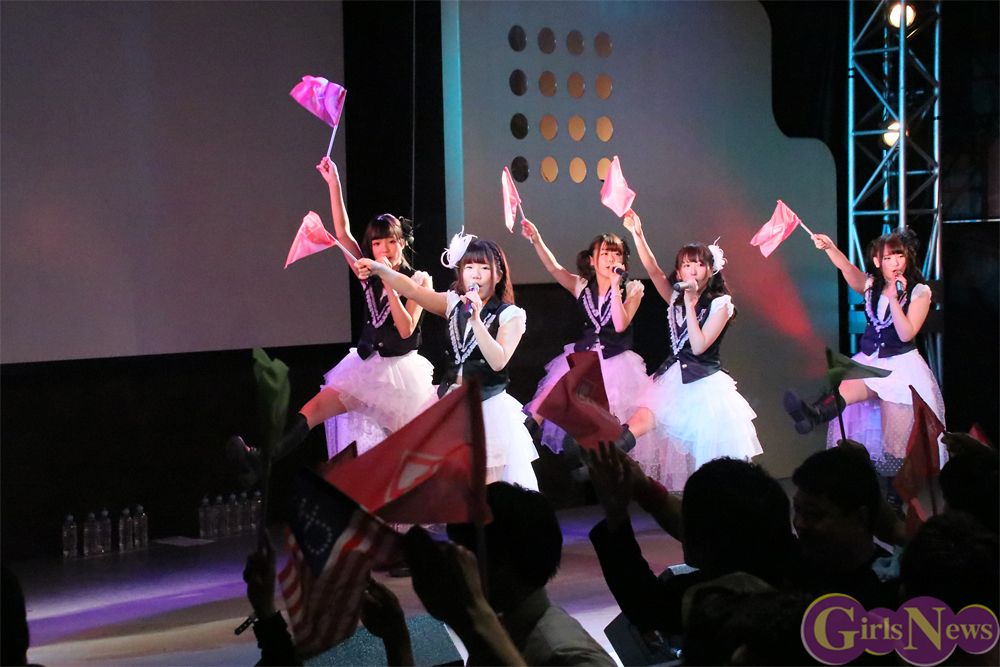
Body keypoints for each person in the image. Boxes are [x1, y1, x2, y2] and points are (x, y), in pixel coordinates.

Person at [258, 158, 437, 463]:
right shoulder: (366, 273)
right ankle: (263, 458)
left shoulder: (418, 280)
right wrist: (334, 182)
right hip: (365, 366)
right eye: (377, 243)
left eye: (391, 241)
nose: (384, 249)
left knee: (408, 451)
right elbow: (342, 234)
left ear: (402, 243)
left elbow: (406, 328)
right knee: (315, 408)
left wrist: (390, 281)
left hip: (400, 377)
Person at [356, 232, 538, 489]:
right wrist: (379, 269)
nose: (476, 275)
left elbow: (498, 361)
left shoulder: (511, 315)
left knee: (488, 490)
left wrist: (476, 320)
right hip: (450, 403)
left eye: (484, 268)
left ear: (498, 275)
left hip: (487, 409)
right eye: (469, 268)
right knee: (449, 488)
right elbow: (412, 290)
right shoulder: (453, 303)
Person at [610, 210, 761, 490]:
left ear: (710, 270)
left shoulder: (721, 304)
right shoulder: (676, 298)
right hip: (674, 380)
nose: (692, 270)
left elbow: (700, 345)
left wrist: (691, 305)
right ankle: (604, 456)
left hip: (705, 386)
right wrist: (637, 234)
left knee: (711, 464)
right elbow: (654, 271)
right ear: (679, 272)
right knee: (641, 419)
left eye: (699, 265)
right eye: (686, 265)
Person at [784, 229, 945, 478]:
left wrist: (894, 299)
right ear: (878, 262)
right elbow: (847, 269)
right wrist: (830, 248)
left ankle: (896, 491)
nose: (895, 263)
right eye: (888, 258)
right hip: (872, 360)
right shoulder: (872, 286)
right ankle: (813, 414)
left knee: (895, 445)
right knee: (844, 389)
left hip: (902, 369)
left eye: (900, 256)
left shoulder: (918, 291)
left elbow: (906, 334)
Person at [519, 220, 648, 454]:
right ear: (592, 260)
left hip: (615, 360)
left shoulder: (633, 290)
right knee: (557, 387)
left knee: (610, 419)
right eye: (605, 253)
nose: (611, 259)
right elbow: (554, 269)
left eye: (616, 254)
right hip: (585, 356)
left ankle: (607, 457)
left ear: (623, 261)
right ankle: (530, 427)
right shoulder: (582, 286)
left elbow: (620, 324)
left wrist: (616, 288)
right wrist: (536, 240)